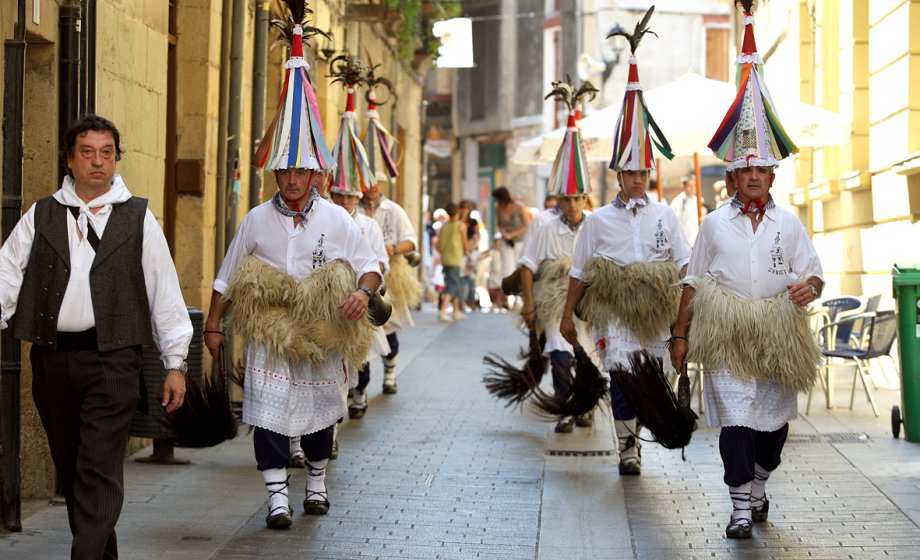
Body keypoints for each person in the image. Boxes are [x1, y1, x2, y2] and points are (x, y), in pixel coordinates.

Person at [207, 21, 382, 529]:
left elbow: (369, 266)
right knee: (266, 416)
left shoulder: (337, 218)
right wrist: (214, 326)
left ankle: (318, 485)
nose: (290, 180)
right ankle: (278, 498)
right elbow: (227, 276)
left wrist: (360, 294)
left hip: (321, 331)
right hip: (269, 332)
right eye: (283, 172)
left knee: (319, 415)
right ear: (276, 175)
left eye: (299, 172)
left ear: (315, 175)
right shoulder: (256, 219)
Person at [0, 114, 193, 558]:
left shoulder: (139, 218)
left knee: (97, 469)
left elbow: (165, 294)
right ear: (70, 160)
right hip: (52, 361)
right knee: (73, 473)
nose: (98, 162)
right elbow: (7, 277)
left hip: (113, 360)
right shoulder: (41, 214)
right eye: (87, 152)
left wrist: (176, 365)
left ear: (116, 159)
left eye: (106, 153)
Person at [669, 2, 823, 540]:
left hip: (779, 333)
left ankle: (758, 485)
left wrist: (810, 288)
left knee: (773, 429)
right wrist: (680, 335)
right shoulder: (713, 226)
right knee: (735, 421)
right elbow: (692, 282)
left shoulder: (791, 224)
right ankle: (739, 506)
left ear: (772, 174)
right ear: (732, 174)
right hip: (728, 336)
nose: (754, 175)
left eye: (762, 168)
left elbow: (815, 274)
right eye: (745, 168)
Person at [560, 14, 690, 476]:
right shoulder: (597, 221)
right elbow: (579, 270)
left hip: (656, 314)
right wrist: (565, 315)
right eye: (630, 172)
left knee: (653, 376)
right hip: (616, 315)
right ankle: (627, 447)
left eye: (643, 173)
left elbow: (686, 269)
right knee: (621, 376)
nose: (637, 179)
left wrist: (683, 325)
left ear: (649, 175)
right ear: (618, 174)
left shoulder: (666, 217)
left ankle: (643, 431)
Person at [328, 174, 390, 421]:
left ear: (358, 198)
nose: (344, 200)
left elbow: (381, 261)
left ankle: (360, 392)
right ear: (331, 195)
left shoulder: (369, 226)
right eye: (339, 195)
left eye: (349, 196)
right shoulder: (322, 221)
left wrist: (366, 284)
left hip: (360, 299)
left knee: (360, 356)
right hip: (329, 303)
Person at [361, 172, 419, 394]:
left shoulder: (393, 210)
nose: (373, 186)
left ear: (382, 183)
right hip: (360, 274)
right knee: (360, 329)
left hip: (390, 274)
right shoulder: (353, 209)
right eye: (368, 181)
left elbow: (411, 241)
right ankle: (359, 386)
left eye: (377, 182)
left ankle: (390, 371)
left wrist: (393, 249)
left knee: (387, 323)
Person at [492, 186, 531, 294]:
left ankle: (520, 293)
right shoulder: (498, 208)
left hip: (520, 241)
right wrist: (503, 233)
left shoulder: (519, 208)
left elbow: (527, 225)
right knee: (506, 267)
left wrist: (512, 234)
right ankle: (508, 295)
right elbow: (499, 224)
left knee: (520, 266)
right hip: (506, 242)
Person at [435, 202, 470, 321]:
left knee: (454, 283)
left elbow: (438, 244)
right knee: (453, 284)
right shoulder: (461, 225)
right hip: (455, 258)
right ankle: (443, 310)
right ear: (458, 212)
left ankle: (456, 311)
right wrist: (466, 251)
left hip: (445, 258)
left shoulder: (444, 226)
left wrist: (443, 252)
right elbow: (465, 243)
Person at [670, 175, 705, 244]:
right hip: (683, 241)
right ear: (684, 186)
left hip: (696, 240)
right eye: (690, 185)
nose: (693, 188)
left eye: (694, 185)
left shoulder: (698, 200)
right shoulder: (678, 202)